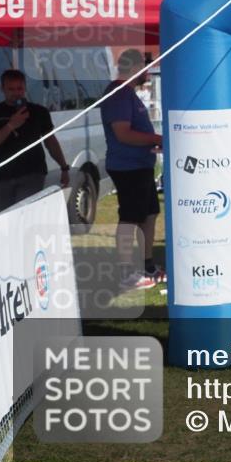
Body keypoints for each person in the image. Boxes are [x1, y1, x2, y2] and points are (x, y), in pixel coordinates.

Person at [100, 49, 164, 291]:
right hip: (127, 167)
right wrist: (157, 138)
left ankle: (147, 265)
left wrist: (154, 141)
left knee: (149, 214)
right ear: (135, 67)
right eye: (146, 67)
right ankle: (126, 272)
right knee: (130, 219)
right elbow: (123, 133)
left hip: (141, 165)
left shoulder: (128, 93)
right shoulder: (118, 94)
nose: (148, 72)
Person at [0, 69, 70, 212]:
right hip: (3, 176)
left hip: (32, 173)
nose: (16, 93)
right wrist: (11, 125)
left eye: (19, 88)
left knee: (24, 213)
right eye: (11, 89)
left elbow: (51, 142)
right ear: (2, 89)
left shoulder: (39, 112)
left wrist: (64, 167)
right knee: (6, 217)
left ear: (25, 88)